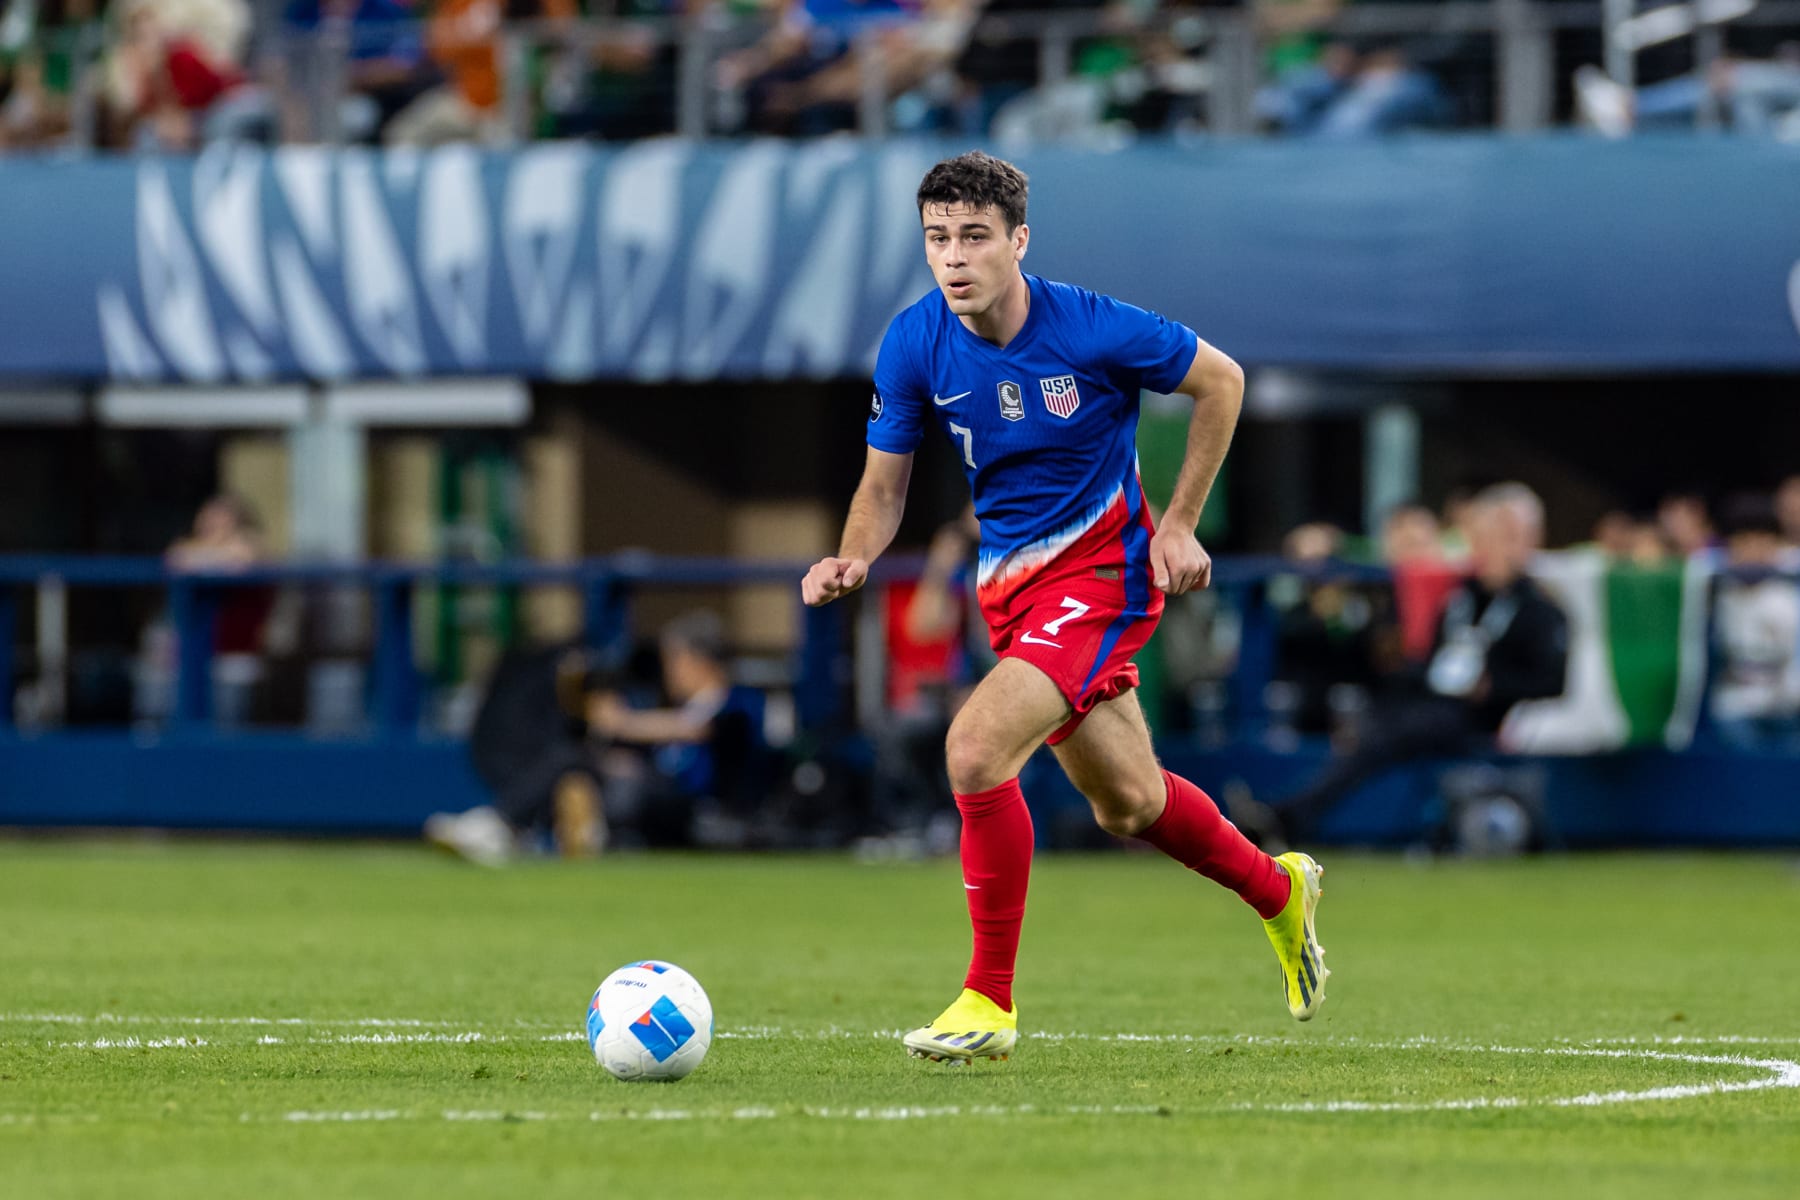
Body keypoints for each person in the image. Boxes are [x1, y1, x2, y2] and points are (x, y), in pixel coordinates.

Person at [800, 151, 1325, 1065]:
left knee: (973, 749)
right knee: (1128, 805)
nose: (953, 257)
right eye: (936, 239)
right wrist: (852, 556)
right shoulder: (914, 341)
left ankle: (987, 1000)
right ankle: (1280, 893)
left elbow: (1223, 381)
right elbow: (883, 490)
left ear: (1018, 241)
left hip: (1103, 579)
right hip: (1010, 590)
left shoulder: (1089, 326)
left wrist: (1182, 525)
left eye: (973, 237)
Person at [1231, 485, 1569, 850]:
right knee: (1373, 718)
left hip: (1483, 715)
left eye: (1504, 538)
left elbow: (1551, 681)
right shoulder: (1462, 596)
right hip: (1433, 701)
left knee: (1388, 732)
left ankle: (1287, 816)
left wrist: (1494, 686)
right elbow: (1436, 661)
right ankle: (1287, 815)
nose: (1490, 549)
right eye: (1485, 538)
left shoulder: (1540, 609)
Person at [1709, 494, 1800, 751]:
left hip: (1788, 707)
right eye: (1744, 540)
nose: (1754, 549)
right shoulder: (1715, 586)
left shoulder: (1791, 587)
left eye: (1763, 540)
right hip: (1736, 704)